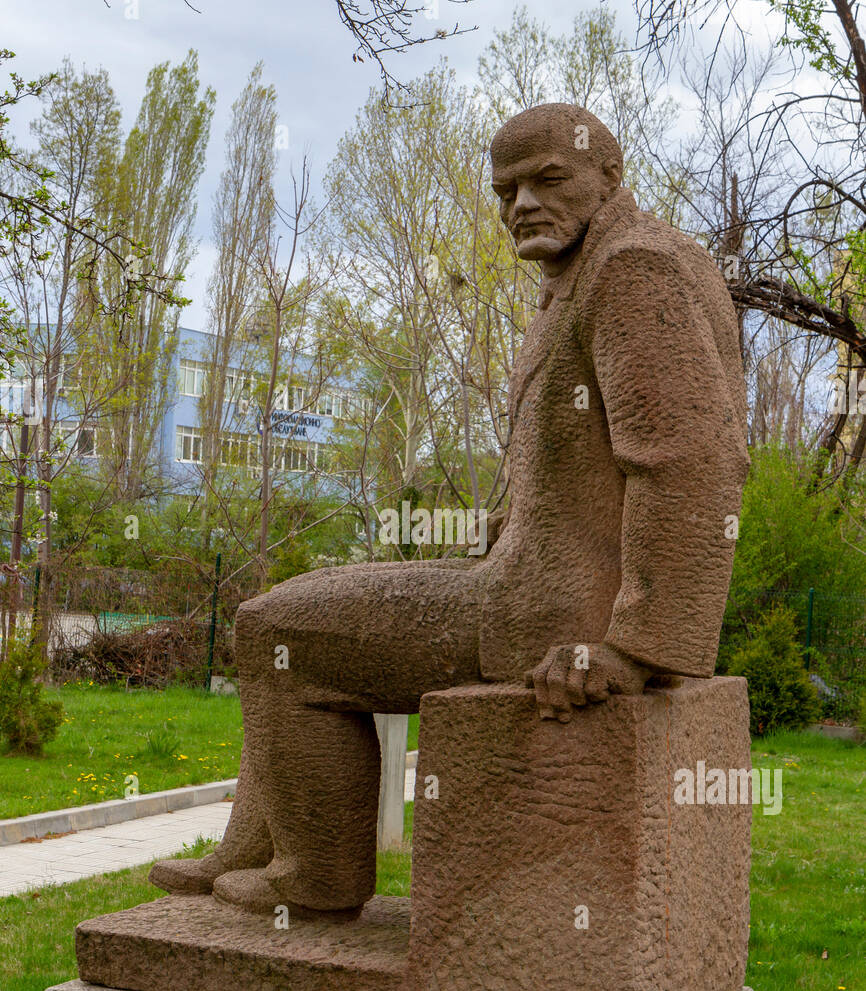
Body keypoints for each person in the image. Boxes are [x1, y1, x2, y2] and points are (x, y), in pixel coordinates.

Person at [150, 102, 748, 919]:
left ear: (608, 176)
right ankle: (255, 843)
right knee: (294, 614)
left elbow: (692, 462)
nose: (522, 206)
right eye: (506, 192)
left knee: (273, 630)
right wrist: (512, 523)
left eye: (547, 181)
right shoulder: (615, 264)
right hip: (529, 582)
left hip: (550, 618)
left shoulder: (630, 267)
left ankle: (316, 875)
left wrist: (633, 648)